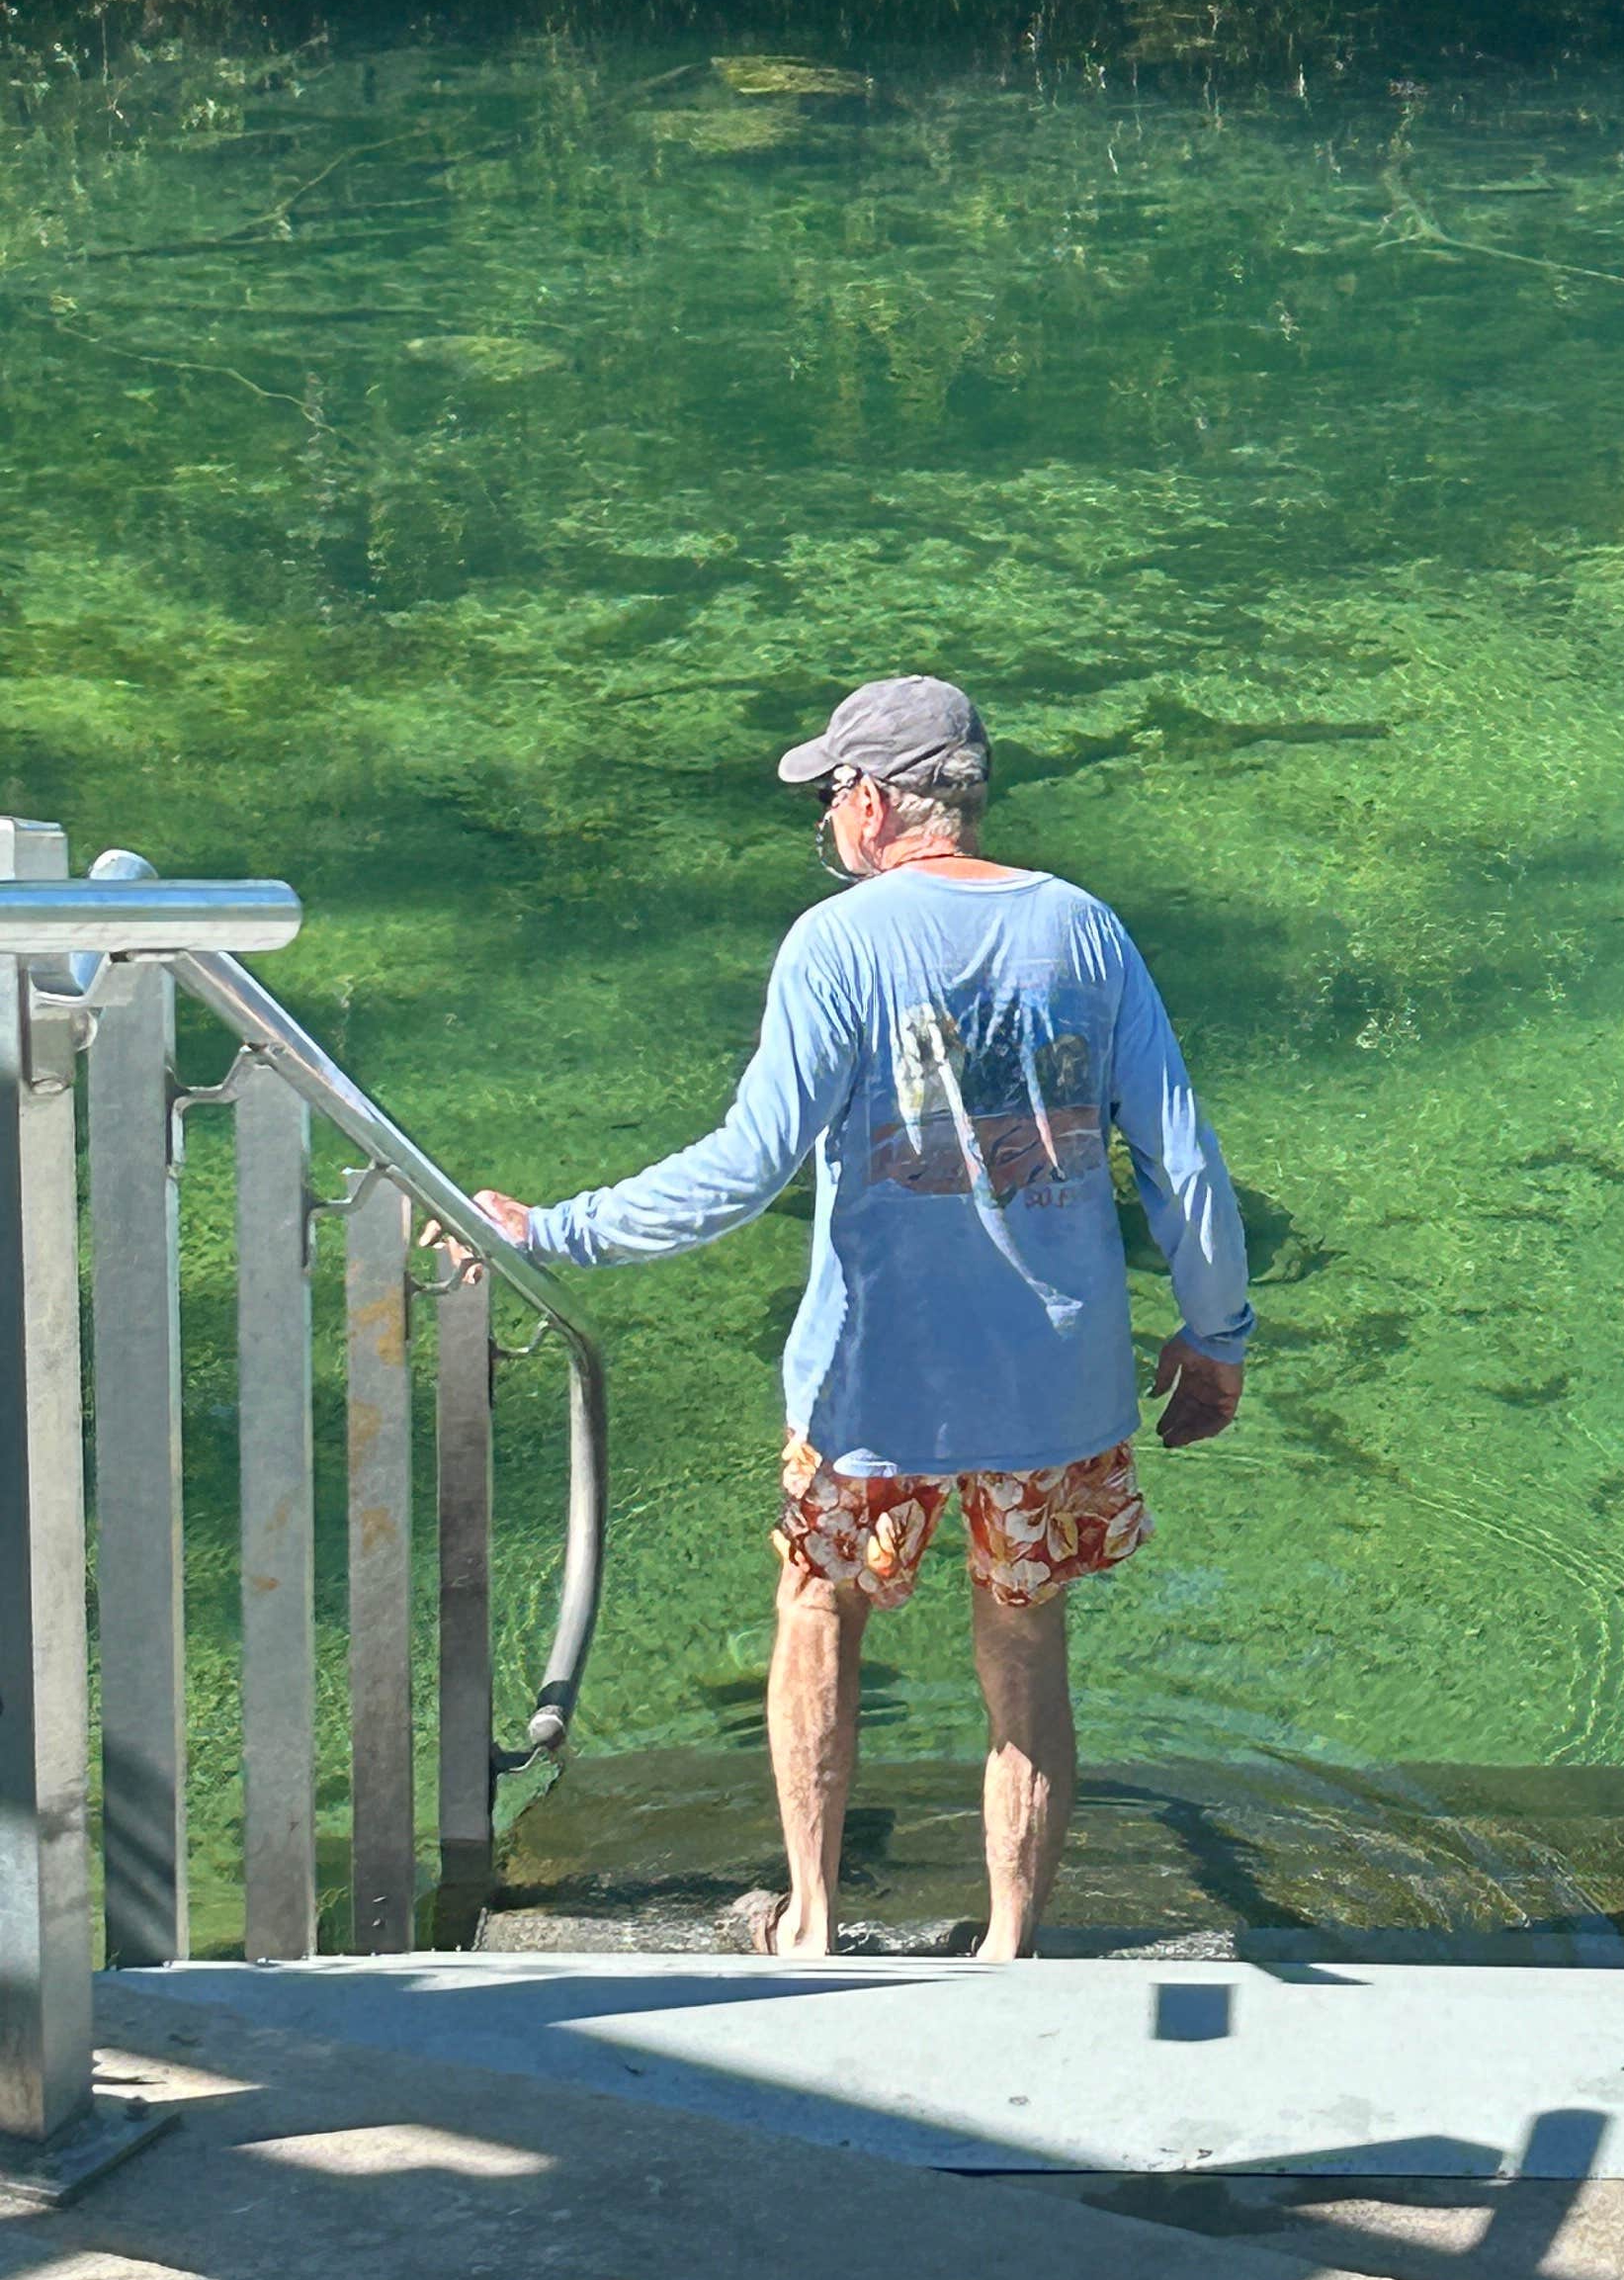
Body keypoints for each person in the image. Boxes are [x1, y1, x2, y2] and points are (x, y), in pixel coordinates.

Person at [462, 675, 1250, 1961]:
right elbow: (1184, 1161)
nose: (829, 817)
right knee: (1026, 1642)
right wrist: (1217, 1337)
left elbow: (742, 1171)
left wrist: (553, 1230)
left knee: (820, 1609)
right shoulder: (1090, 933)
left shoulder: (838, 946)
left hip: (873, 1386)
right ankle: (1008, 1948)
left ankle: (815, 1921)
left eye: (831, 793)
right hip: (1056, 1389)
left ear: (877, 803)